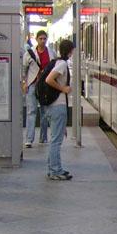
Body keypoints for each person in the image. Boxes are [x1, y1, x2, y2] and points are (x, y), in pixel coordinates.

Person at [44, 39, 74, 180]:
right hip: (58, 105)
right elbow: (49, 79)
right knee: (56, 141)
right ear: (69, 51)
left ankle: (54, 168)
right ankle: (55, 170)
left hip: (54, 106)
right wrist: (63, 89)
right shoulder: (62, 64)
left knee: (55, 139)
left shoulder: (57, 62)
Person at [21, 29, 50, 147]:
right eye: (40, 39)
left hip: (45, 86)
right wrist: (24, 82)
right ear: (36, 39)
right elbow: (24, 68)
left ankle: (43, 138)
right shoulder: (29, 53)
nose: (42, 41)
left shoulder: (51, 53)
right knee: (31, 111)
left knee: (44, 112)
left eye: (44, 39)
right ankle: (29, 139)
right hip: (32, 84)